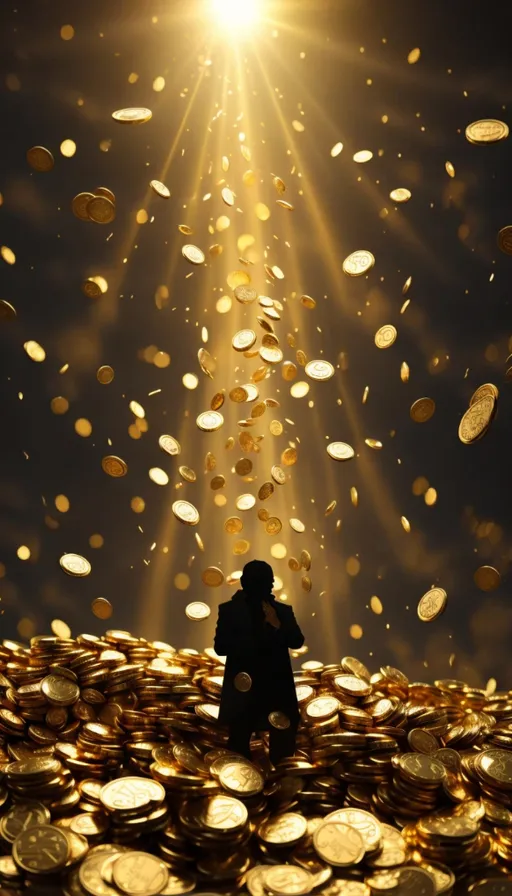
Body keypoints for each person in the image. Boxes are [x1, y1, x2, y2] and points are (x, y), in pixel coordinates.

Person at [214, 559, 305, 766]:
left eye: (265, 582)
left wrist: (276, 625)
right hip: (244, 694)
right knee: (238, 752)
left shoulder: (282, 611)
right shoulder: (229, 610)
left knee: (283, 754)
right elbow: (221, 647)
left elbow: (297, 641)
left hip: (276, 690)